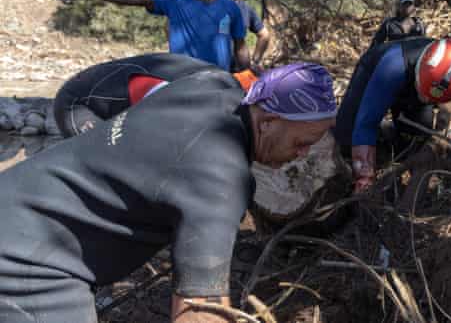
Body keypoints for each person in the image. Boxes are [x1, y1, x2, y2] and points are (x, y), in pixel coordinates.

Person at [0, 61, 337, 323]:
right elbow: (198, 310)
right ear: (267, 122)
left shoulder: (208, 84)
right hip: (29, 263)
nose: (302, 154)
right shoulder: (220, 177)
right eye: (301, 142)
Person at [334, 37, 451, 192]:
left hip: (421, 87)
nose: (423, 98)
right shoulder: (391, 67)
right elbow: (366, 122)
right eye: (423, 94)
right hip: (377, 70)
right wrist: (364, 177)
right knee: (347, 133)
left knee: (414, 140)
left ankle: (396, 169)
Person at [54, 0, 248, 71]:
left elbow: (240, 46)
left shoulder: (230, 8)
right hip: (183, 80)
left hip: (219, 81)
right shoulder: (175, 4)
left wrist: (247, 74)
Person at [52, 53, 237, 137]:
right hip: (77, 102)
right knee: (106, 157)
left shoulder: (222, 81)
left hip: (125, 93)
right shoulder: (173, 91)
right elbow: (150, 132)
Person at [220, 0, 271, 72]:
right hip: (209, 69)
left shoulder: (246, 9)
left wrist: (255, 61)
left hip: (236, 71)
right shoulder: (209, 5)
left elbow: (264, 35)